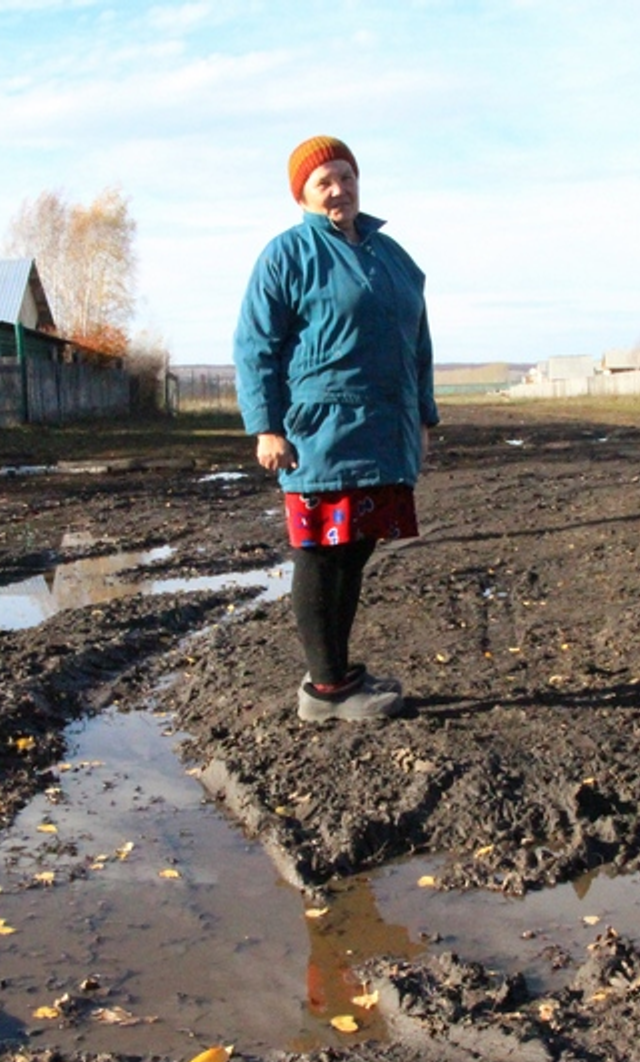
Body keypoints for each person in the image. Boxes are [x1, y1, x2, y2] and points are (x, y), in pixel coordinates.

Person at [233, 135, 438, 723]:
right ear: (302, 193)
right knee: (322, 555)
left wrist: (423, 416)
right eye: (324, 181)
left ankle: (338, 670)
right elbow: (254, 348)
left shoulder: (393, 256)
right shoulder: (287, 255)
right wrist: (266, 426)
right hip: (319, 431)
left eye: (346, 176)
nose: (338, 189)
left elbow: (418, 343)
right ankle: (325, 690)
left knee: (355, 549)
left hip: (383, 429)